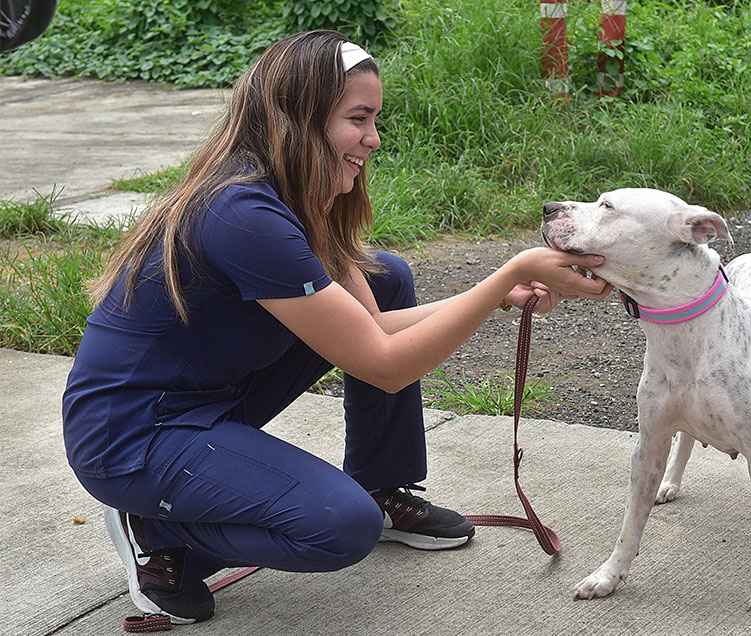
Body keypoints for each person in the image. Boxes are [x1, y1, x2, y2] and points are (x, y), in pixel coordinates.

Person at [62, 30, 611, 625]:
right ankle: (156, 523)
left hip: (206, 401)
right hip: (133, 435)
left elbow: (372, 327)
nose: (373, 139)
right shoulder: (242, 214)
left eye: (375, 119)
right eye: (359, 118)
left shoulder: (293, 195)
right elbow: (384, 361)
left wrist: (495, 293)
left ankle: (383, 484)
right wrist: (512, 271)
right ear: (301, 116)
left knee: (387, 276)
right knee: (339, 527)